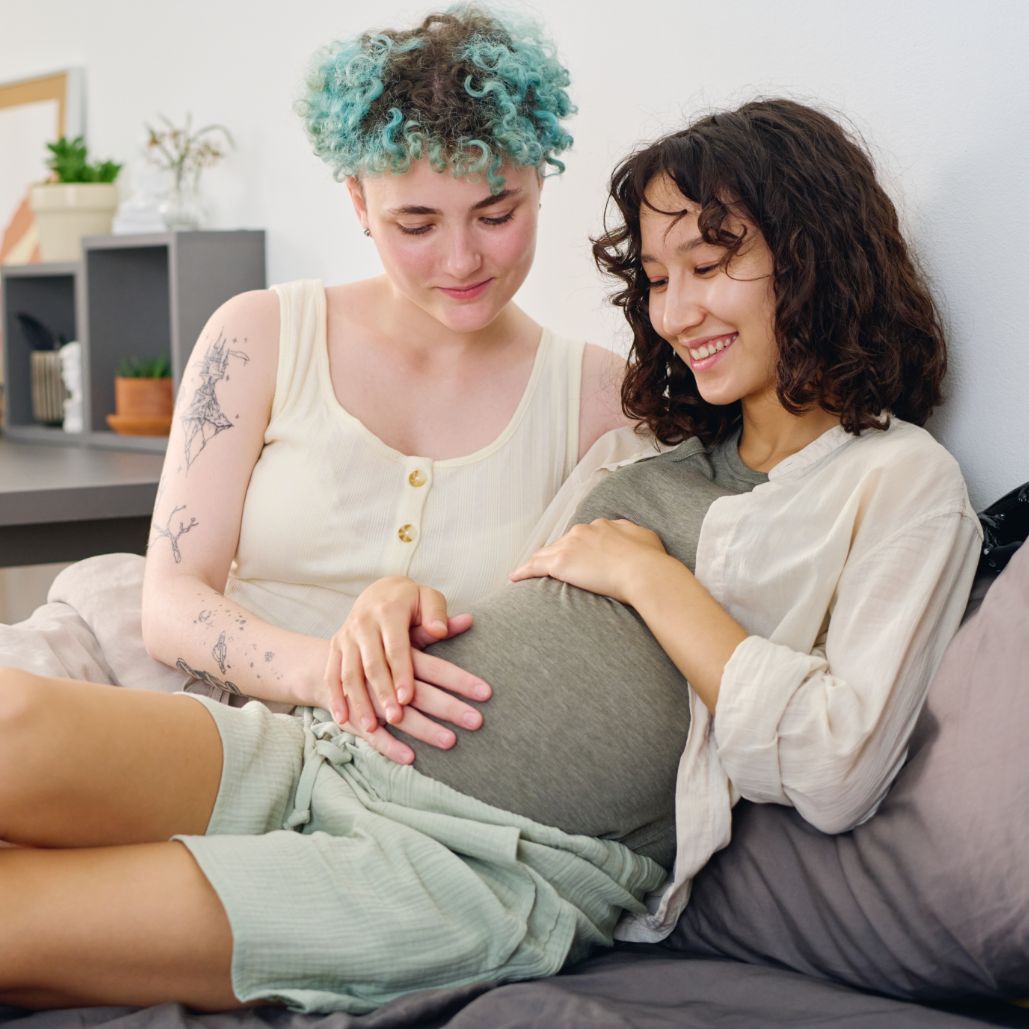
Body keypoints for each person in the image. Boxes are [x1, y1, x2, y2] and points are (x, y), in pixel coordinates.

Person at [0, 99, 981, 1013]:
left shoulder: (900, 482)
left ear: (816, 255)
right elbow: (517, 607)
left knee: (19, 915)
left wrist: (654, 579)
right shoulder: (653, 443)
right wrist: (399, 601)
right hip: (338, 752)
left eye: (711, 264)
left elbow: (839, 762)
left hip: (481, 867)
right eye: (658, 277)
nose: (677, 313)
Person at [138, 6, 632, 763]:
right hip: (219, 733)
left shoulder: (599, 398)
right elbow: (170, 602)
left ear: (538, 183)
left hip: (432, 782)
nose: (462, 259)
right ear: (359, 204)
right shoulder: (256, 337)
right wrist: (331, 672)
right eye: (417, 225)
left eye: (495, 214)